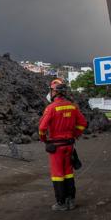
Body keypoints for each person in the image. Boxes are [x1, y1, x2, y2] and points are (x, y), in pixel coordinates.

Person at [39, 78, 87, 211]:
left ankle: (61, 203)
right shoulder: (72, 106)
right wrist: (75, 135)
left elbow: (42, 128)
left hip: (56, 147)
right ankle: (71, 200)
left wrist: (45, 140)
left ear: (54, 92)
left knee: (57, 174)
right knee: (68, 173)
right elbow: (83, 123)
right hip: (69, 145)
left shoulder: (51, 108)